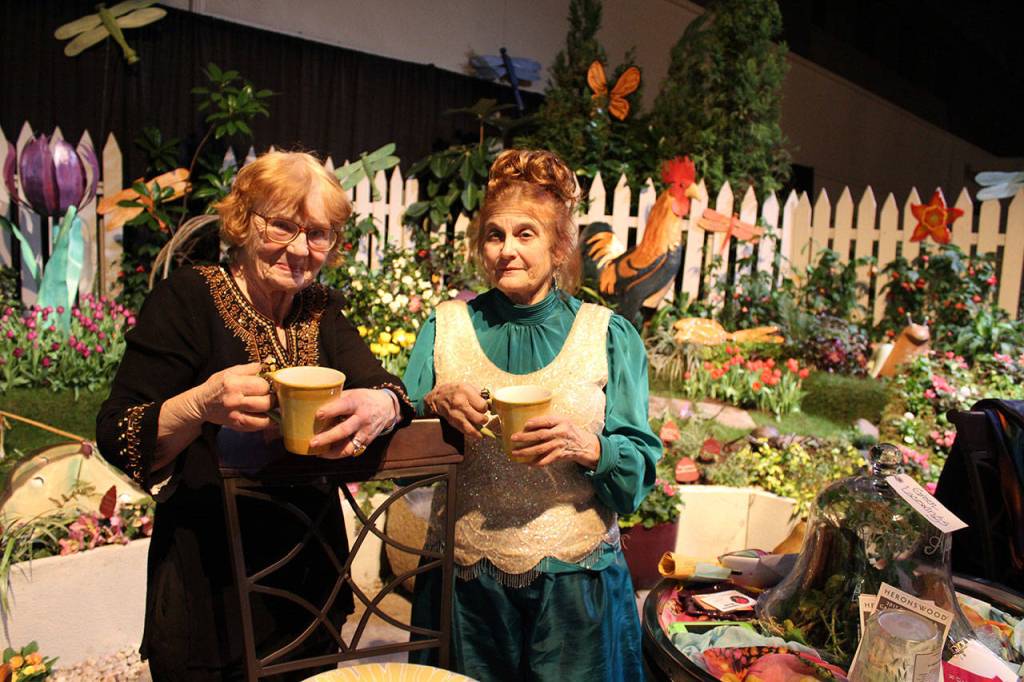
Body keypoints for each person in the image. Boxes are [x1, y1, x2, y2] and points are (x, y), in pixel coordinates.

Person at [96, 151, 413, 681]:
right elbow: (118, 431)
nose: (298, 248)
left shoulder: (321, 310)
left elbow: (385, 385)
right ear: (243, 222)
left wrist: (382, 405)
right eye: (283, 225)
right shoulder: (188, 300)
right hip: (210, 578)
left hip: (310, 578)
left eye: (317, 233)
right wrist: (201, 403)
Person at [403, 149, 661, 681]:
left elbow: (637, 472)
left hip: (575, 593)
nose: (507, 250)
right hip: (464, 587)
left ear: (559, 245)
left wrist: (589, 447)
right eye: (495, 235)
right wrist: (433, 405)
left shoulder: (607, 335)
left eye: (526, 234)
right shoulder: (444, 329)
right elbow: (400, 449)